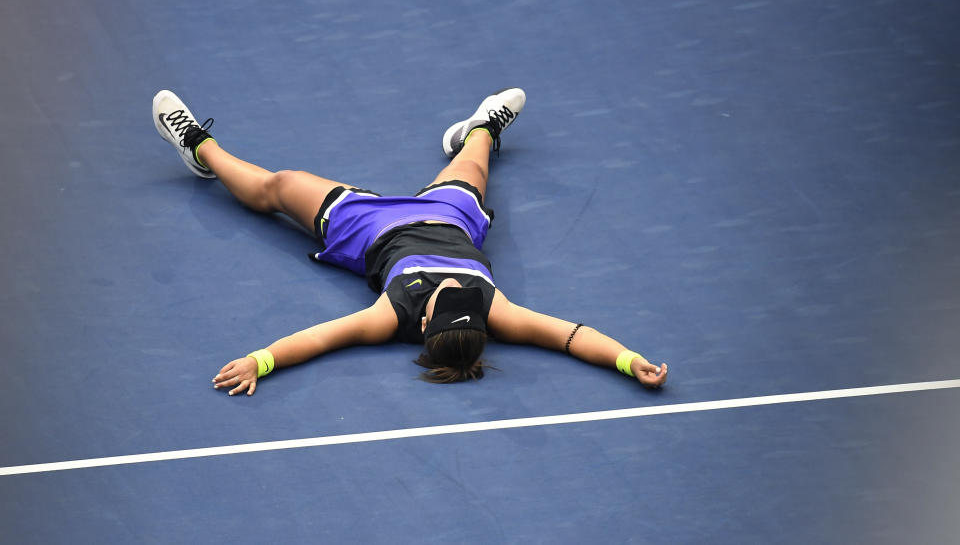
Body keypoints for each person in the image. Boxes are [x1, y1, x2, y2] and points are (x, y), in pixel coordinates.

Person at [152, 88, 668, 395]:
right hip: (450, 218)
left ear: (423, 321)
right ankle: (479, 127)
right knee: (473, 162)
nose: (455, 289)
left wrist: (259, 360)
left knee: (280, 185)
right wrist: (628, 359)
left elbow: (318, 338)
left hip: (369, 227)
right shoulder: (495, 309)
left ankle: (200, 148)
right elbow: (573, 337)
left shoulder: (390, 315)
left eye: (450, 299)